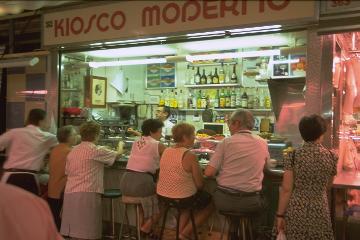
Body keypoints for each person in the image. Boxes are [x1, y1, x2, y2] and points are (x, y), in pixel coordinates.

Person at [204, 109, 269, 237]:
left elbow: (208, 173)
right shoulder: (262, 142)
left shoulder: (226, 142)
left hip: (224, 201)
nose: (228, 126)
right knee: (266, 200)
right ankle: (253, 234)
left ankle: (233, 232)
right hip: (250, 202)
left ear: (237, 123)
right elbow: (266, 167)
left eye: (230, 123)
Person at [275, 114, 338, 240]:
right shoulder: (332, 156)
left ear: (302, 133)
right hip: (320, 207)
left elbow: (286, 189)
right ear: (322, 133)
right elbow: (328, 186)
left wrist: (280, 215)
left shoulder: (292, 156)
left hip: (296, 208)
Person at [60, 121, 122, 240]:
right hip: (87, 194)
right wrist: (121, 144)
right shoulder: (95, 150)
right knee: (87, 233)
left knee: (73, 233)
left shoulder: (73, 150)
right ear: (96, 135)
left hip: (70, 193)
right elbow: (118, 155)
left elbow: (68, 172)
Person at [157, 123, 213, 240]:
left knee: (186, 204)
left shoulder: (166, 151)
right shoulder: (190, 155)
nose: (195, 137)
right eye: (193, 135)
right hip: (182, 198)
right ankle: (184, 234)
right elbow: (199, 184)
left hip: (162, 196)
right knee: (209, 204)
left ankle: (179, 234)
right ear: (185, 137)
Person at [120, 119, 166, 236]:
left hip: (125, 182)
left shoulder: (136, 141)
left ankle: (141, 233)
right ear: (152, 132)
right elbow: (171, 156)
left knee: (142, 205)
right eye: (160, 132)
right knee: (165, 200)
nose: (161, 135)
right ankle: (145, 229)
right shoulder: (158, 145)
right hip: (142, 182)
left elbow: (145, 140)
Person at [0, 108, 58, 195]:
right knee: (29, 207)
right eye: (46, 121)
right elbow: (64, 145)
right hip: (29, 177)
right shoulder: (47, 137)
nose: (48, 124)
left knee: (7, 207)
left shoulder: (14, 132)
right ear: (41, 121)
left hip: (9, 175)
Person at [47, 125, 78, 230]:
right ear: (67, 137)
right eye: (74, 135)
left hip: (52, 189)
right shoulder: (70, 151)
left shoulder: (55, 149)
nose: (77, 137)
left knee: (54, 220)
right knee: (61, 223)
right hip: (62, 190)